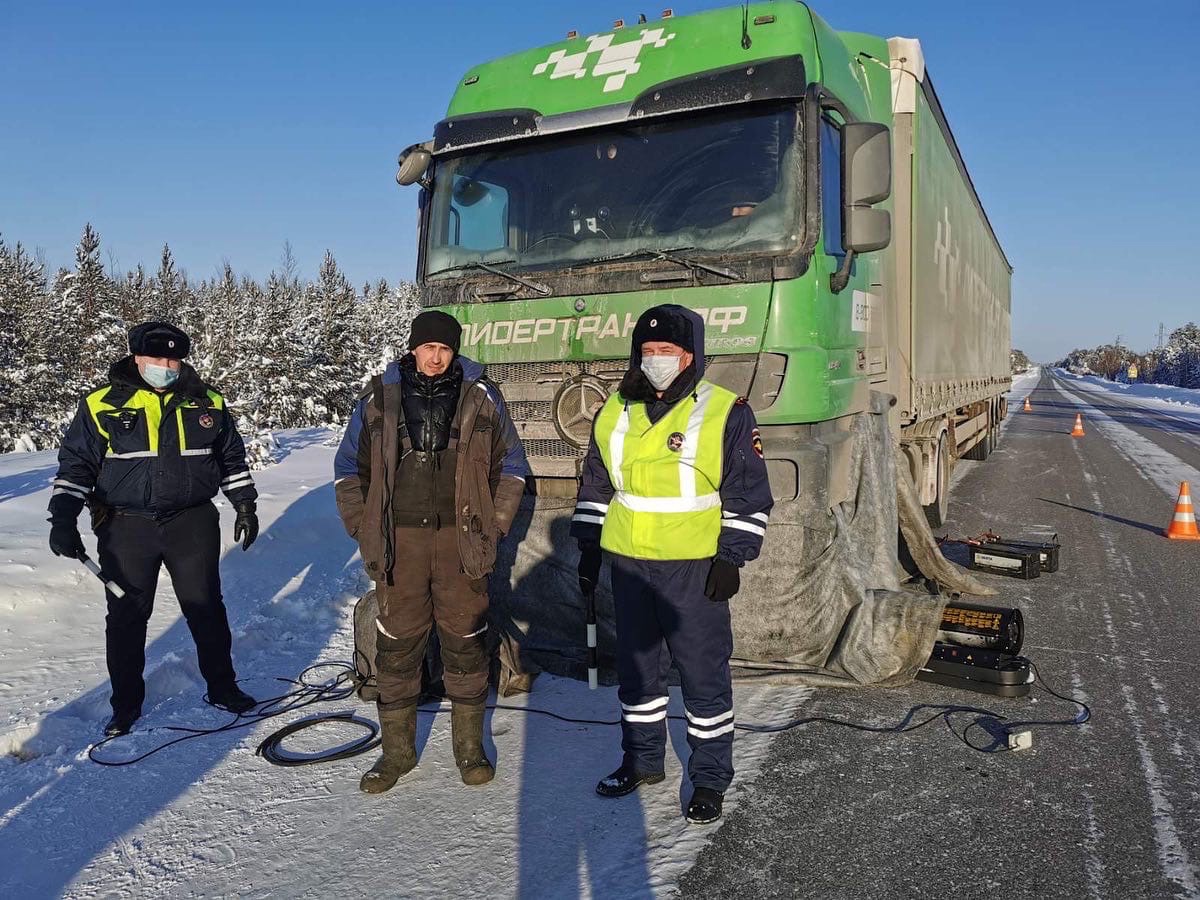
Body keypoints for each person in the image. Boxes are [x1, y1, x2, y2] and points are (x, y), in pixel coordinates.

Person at [570, 304, 773, 825]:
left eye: (669, 351)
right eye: (648, 351)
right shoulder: (614, 408)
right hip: (631, 565)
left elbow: (748, 495)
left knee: (703, 677)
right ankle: (641, 763)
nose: (657, 359)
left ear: (691, 355)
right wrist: (589, 547)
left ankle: (709, 778)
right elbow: (596, 484)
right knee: (638, 676)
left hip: (694, 568)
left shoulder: (727, 410)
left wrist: (732, 558)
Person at [334, 310, 529, 793]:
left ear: (454, 351)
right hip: (401, 543)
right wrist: (363, 527)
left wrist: (495, 526)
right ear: (413, 349)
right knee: (396, 646)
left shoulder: (482, 398)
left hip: (459, 542)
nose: (435, 358)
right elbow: (346, 470)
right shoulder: (378, 399)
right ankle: (395, 754)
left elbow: (514, 468)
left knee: (466, 640)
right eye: (427, 348)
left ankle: (470, 748)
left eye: (444, 349)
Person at [48, 322, 260, 737]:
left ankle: (222, 687)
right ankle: (126, 706)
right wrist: (62, 518)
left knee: (206, 608)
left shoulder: (207, 401)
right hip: (126, 527)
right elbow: (77, 466)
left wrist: (245, 504)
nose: (166, 365)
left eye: (173, 358)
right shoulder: (101, 404)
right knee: (127, 616)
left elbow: (231, 458)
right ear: (135, 357)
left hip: (192, 523)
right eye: (157, 358)